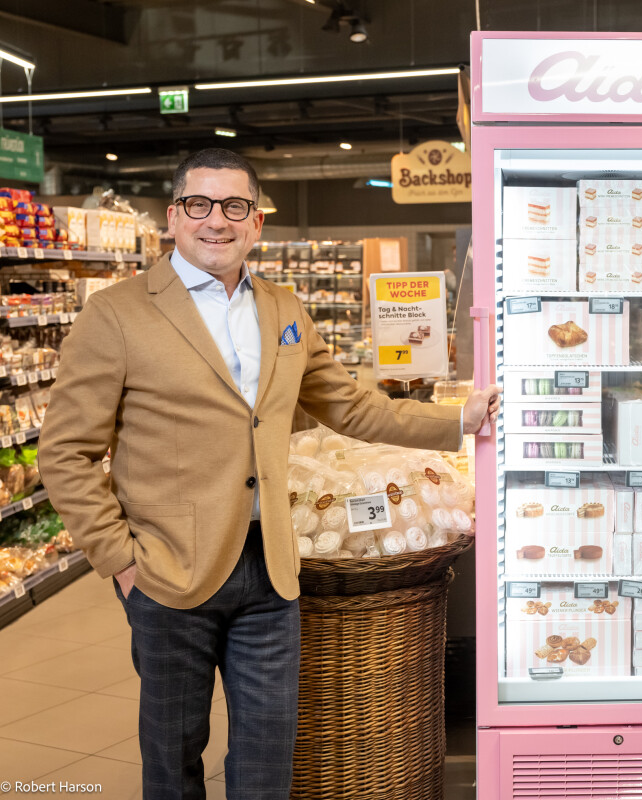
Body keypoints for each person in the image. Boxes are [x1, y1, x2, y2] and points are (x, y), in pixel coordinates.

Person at [39, 148, 500, 800]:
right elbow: (65, 452)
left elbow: (350, 407)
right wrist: (121, 561)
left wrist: (460, 420)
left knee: (266, 763)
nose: (216, 221)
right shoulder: (117, 313)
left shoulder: (284, 309)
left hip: (273, 572)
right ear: (173, 216)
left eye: (235, 206)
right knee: (172, 761)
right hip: (169, 572)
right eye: (199, 204)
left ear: (256, 222)